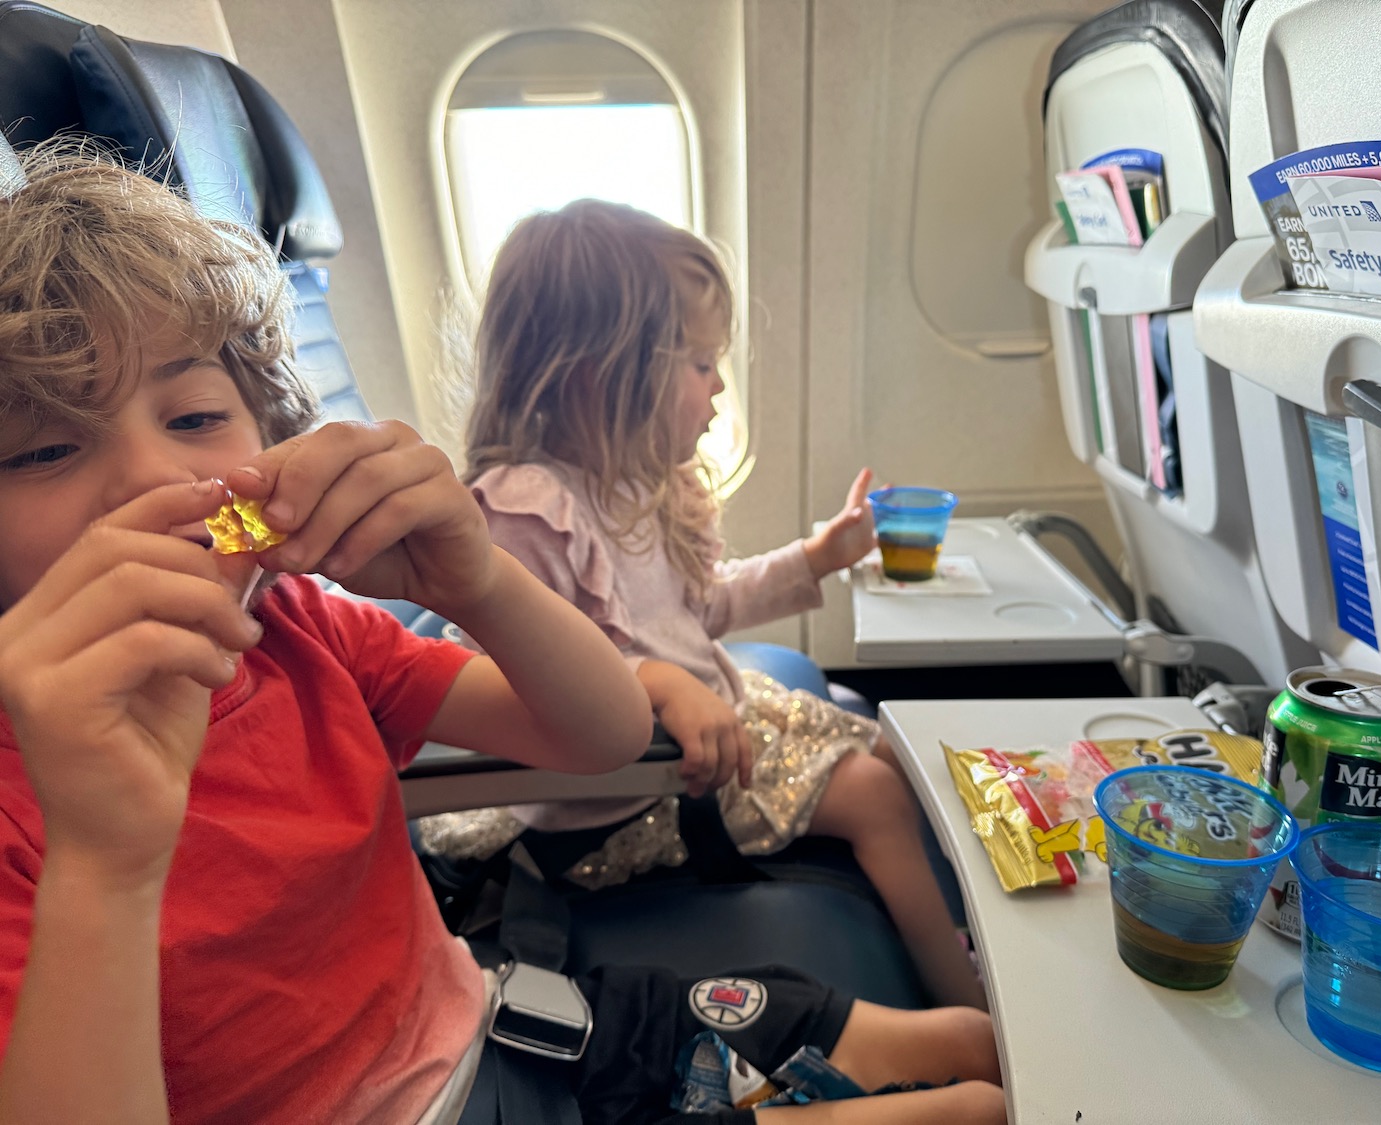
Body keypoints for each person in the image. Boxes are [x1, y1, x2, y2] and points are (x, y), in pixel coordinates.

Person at [0, 146, 1006, 1124]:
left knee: (974, 1065)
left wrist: (474, 580)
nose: (156, 482)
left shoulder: (307, 634)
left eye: (193, 418)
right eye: (44, 446)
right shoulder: (27, 800)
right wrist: (104, 863)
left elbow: (606, 738)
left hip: (509, 1022)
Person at [442, 199, 985, 1012]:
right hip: (620, 792)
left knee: (887, 747)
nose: (719, 385)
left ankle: (946, 928)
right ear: (603, 372)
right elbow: (504, 675)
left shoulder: (634, 486)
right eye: (698, 362)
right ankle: (967, 1005)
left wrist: (815, 558)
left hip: (694, 733)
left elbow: (702, 608)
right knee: (875, 797)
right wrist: (656, 681)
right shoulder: (525, 510)